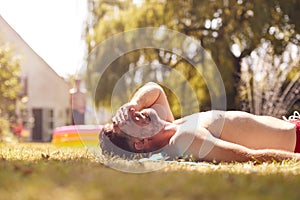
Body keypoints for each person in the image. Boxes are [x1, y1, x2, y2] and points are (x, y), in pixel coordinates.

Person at [99, 82, 300, 163]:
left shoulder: (170, 126)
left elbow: (155, 89)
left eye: (128, 113)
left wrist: (132, 103)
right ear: (140, 143)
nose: (136, 113)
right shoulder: (184, 138)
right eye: (129, 121)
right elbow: (250, 157)